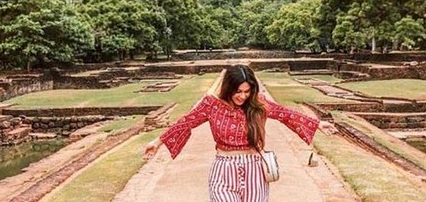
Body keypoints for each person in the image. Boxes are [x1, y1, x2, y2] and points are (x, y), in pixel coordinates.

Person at [143, 64, 337, 202]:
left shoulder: (257, 103)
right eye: (238, 91)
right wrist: (158, 141)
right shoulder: (211, 105)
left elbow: (285, 114)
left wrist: (318, 123)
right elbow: (186, 122)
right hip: (223, 169)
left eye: (247, 91)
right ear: (228, 87)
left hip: (254, 169)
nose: (242, 96)